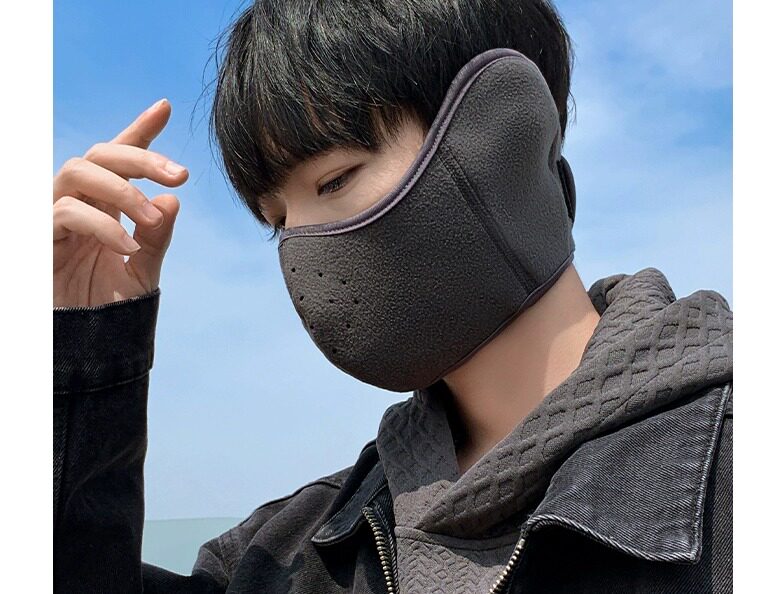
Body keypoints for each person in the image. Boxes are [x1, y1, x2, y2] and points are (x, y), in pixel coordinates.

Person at [53, 1, 733, 592]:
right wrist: (80, 350)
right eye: (278, 222)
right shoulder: (280, 556)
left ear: (504, 131)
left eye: (334, 180)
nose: (302, 247)